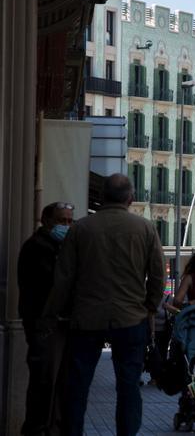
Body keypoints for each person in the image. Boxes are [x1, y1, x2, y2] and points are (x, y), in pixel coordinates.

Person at [47, 174, 165, 436]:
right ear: (130, 198)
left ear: (101, 197)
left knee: (77, 386)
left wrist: (53, 313)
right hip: (130, 318)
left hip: (87, 317)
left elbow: (63, 276)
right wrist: (149, 307)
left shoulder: (81, 228)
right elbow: (158, 275)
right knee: (128, 387)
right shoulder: (145, 228)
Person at [18, 201, 74, 435]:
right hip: (45, 324)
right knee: (45, 383)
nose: (67, 226)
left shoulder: (58, 247)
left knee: (58, 384)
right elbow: (52, 284)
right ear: (46, 221)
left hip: (56, 324)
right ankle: (38, 429)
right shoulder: (38, 247)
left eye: (70, 221)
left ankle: (51, 428)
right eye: (62, 221)